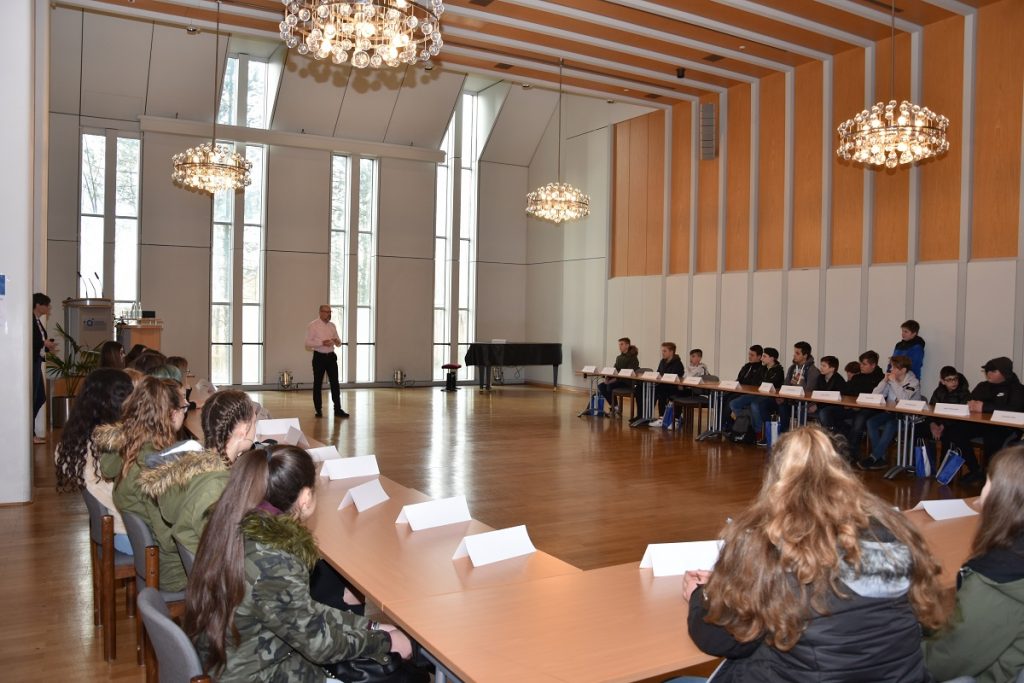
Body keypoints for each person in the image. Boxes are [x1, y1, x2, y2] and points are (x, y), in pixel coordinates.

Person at [680, 426, 944, 682]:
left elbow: (719, 638)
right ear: (842, 473)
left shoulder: (765, 547)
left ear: (774, 479)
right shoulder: (891, 533)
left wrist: (700, 594)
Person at [184, 445, 413, 681]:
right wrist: (382, 642)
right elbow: (319, 645)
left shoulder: (232, 524)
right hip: (255, 675)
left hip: (229, 660)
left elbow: (305, 614)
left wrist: (369, 628)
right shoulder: (274, 563)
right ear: (305, 498)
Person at [923, 445, 1024, 681]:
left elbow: (942, 663)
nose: (979, 499)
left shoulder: (997, 580)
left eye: (988, 483)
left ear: (1005, 500)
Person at [97, 376, 190, 591]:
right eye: (184, 407)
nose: (185, 412)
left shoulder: (131, 449)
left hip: (152, 557)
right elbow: (169, 539)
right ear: (170, 413)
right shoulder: (155, 469)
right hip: (173, 572)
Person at [138, 390, 258, 553]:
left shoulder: (192, 465)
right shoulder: (214, 488)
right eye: (254, 423)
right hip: (195, 575)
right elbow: (228, 550)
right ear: (243, 431)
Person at [54, 368, 136, 555]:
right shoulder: (110, 445)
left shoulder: (79, 440)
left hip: (115, 529)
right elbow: (128, 501)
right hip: (129, 534)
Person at [948, 357, 1024, 485]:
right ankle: (975, 470)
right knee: (956, 432)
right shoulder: (983, 386)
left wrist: (985, 407)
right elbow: (971, 401)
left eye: (993, 371)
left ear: (1004, 372)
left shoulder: (1018, 389)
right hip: (982, 424)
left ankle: (988, 475)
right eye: (987, 371)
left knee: (992, 438)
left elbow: (1014, 409)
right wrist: (972, 404)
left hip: (1006, 427)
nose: (988, 374)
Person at [859, 355, 922, 471]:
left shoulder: (913, 382)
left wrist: (893, 382)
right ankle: (880, 458)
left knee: (890, 425)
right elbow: (875, 395)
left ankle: (874, 457)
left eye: (894, 367)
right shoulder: (890, 380)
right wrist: (884, 381)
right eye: (891, 367)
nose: (891, 370)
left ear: (903, 370)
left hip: (908, 417)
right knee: (871, 422)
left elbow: (904, 400)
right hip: (891, 413)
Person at [833, 350, 886, 458]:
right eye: (861, 363)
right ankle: (842, 441)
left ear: (873, 365)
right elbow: (846, 392)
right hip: (853, 407)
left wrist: (857, 404)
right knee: (827, 412)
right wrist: (849, 403)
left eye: (864, 364)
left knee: (859, 419)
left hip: (872, 410)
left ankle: (851, 451)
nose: (860, 366)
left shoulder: (881, 378)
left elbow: (874, 396)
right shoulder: (857, 377)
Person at [728, 347, 783, 444]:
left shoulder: (778, 370)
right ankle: (748, 421)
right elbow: (755, 382)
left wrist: (762, 384)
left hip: (769, 398)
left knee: (754, 405)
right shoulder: (762, 368)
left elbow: (773, 384)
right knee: (734, 403)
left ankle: (757, 432)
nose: (762, 359)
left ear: (772, 358)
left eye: (764, 356)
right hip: (756, 394)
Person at [305, 304, 348, 418]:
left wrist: (336, 341)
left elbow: (338, 343)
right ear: (320, 312)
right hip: (319, 357)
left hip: (331, 357)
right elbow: (308, 344)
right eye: (326, 312)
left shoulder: (332, 326)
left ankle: (337, 409)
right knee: (318, 384)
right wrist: (321, 343)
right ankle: (318, 410)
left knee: (335, 383)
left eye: (330, 312)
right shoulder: (313, 325)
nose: (329, 314)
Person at [637, 342, 683, 426]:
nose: (662, 353)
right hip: (663, 385)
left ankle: (661, 417)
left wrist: (661, 378)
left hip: (673, 388)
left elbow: (675, 378)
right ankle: (644, 416)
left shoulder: (678, 364)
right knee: (641, 389)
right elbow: (658, 372)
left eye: (665, 351)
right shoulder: (662, 361)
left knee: (659, 391)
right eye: (662, 351)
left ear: (671, 352)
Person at [32, 292, 57, 445]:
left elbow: (39, 343)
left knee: (40, 397)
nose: (48, 308)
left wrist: (47, 347)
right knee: (36, 397)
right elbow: (32, 342)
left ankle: (31, 432)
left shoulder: (37, 321)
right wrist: (44, 345)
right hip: (33, 363)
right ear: (38, 305)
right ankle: (31, 432)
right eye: (46, 305)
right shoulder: (30, 321)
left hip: (37, 362)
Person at [778, 341, 820, 432]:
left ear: (805, 355)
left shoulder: (813, 370)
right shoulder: (792, 368)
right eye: (794, 353)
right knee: (781, 406)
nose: (794, 355)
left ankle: (800, 437)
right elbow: (786, 385)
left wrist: (800, 382)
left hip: (805, 403)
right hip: (791, 400)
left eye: (797, 353)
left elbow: (809, 391)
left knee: (801, 409)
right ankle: (784, 435)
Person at [597, 337, 639, 413]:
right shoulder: (619, 357)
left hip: (627, 382)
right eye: (619, 344)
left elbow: (628, 373)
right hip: (617, 380)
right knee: (601, 386)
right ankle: (615, 406)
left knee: (610, 385)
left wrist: (613, 380)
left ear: (627, 345)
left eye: (622, 344)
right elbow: (614, 370)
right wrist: (608, 378)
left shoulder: (633, 358)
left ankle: (615, 407)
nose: (620, 346)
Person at [809, 355, 845, 426]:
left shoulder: (839, 380)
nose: (821, 368)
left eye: (824, 366)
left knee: (824, 412)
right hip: (821, 404)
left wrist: (817, 406)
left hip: (835, 407)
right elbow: (816, 392)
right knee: (802, 409)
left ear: (832, 368)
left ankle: (829, 433)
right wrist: (814, 404)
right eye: (821, 365)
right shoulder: (820, 377)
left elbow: (837, 399)